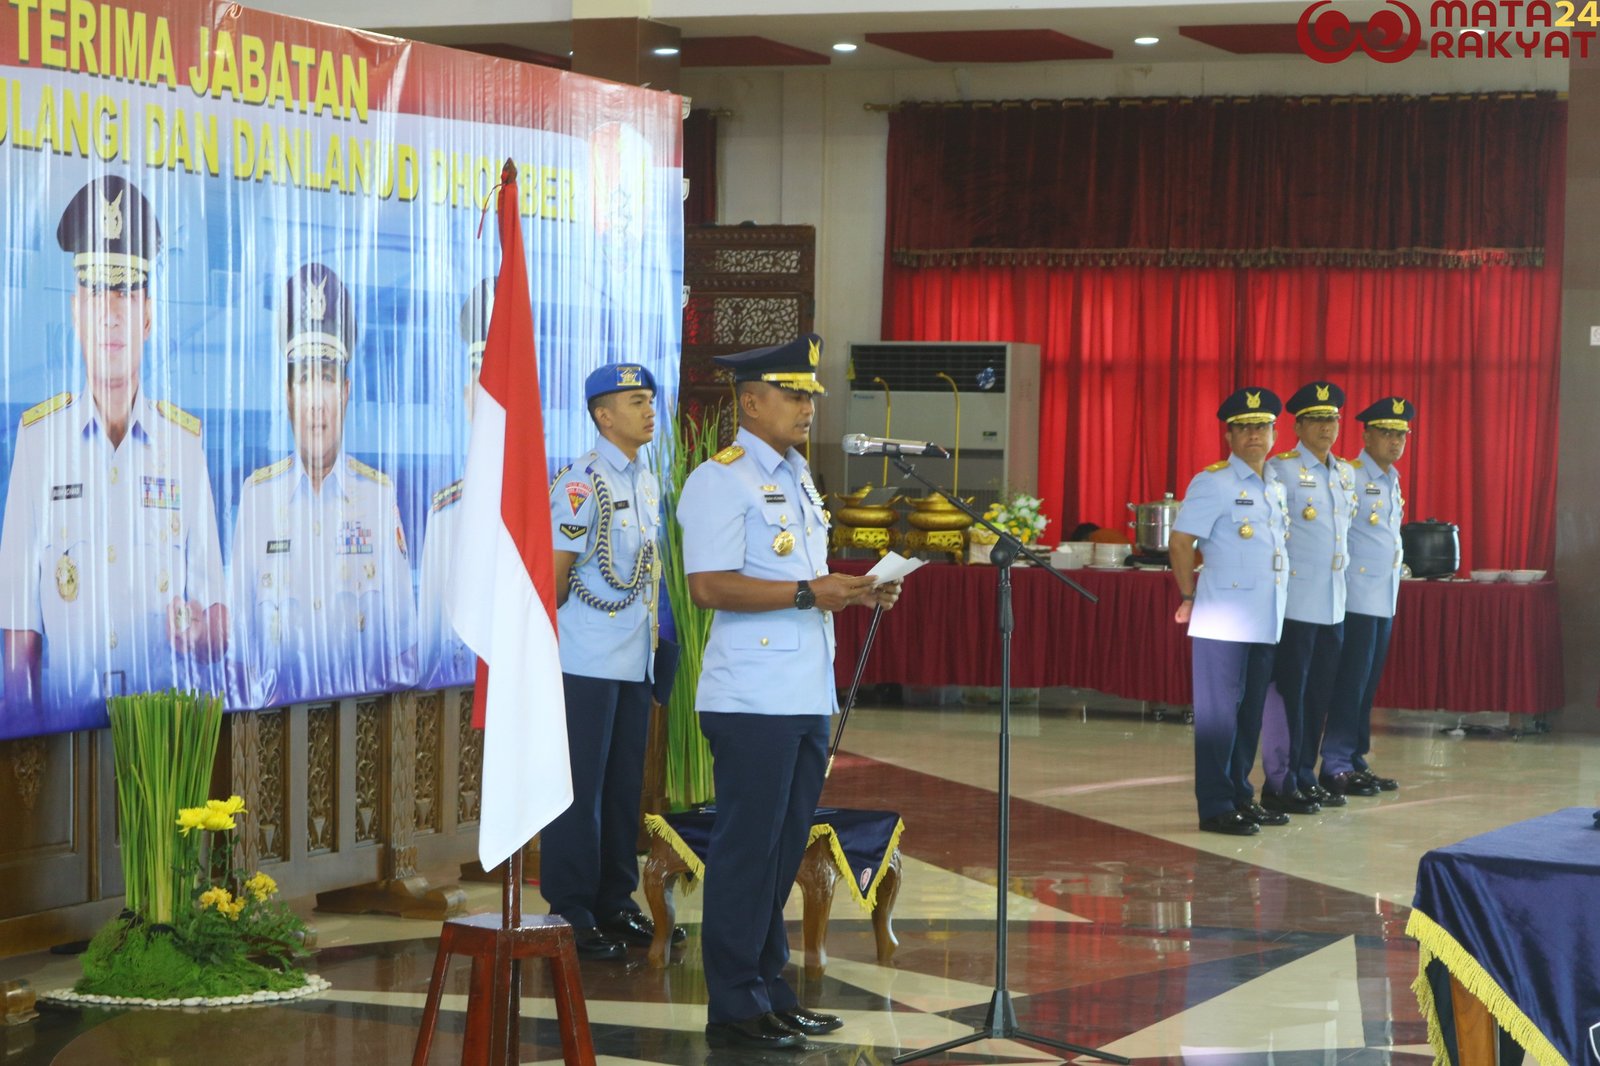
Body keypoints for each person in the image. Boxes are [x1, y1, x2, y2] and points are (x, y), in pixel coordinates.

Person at [679, 333, 900, 1049]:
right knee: (748, 849)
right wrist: (811, 591)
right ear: (751, 400)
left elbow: (797, 583)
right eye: (794, 394)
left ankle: (768, 987)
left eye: (810, 394)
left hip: (805, 691)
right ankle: (735, 1005)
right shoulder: (723, 478)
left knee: (780, 849)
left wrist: (854, 592)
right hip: (751, 699)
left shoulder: (798, 474)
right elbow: (708, 585)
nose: (808, 406)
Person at [0, 175, 226, 730]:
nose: (111, 312)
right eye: (96, 289)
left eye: (126, 289)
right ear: (76, 312)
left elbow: (218, 614)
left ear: (148, 314)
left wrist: (200, 632)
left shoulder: (185, 449)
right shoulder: (37, 446)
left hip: (164, 743)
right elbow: (17, 631)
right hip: (63, 745)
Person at [539, 361, 682, 961]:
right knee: (580, 793)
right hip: (586, 661)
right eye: (634, 401)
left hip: (634, 659)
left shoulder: (646, 481)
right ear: (603, 415)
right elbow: (553, 580)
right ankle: (570, 909)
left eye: (650, 399)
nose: (649, 410)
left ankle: (615, 901)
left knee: (625, 789)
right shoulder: (580, 483)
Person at [230, 263, 417, 707]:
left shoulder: (377, 499)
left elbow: (405, 650)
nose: (316, 400)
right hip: (272, 739)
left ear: (347, 391)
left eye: (328, 378)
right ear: (289, 395)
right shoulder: (257, 502)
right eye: (304, 378)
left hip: (362, 740)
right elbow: (238, 654)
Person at [1169, 387, 1289, 837]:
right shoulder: (1214, 482)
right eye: (1245, 427)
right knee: (1220, 714)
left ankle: (1240, 793)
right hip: (1223, 615)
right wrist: (1187, 594)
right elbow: (1181, 542)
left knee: (1250, 712)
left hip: (1265, 614)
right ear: (1230, 435)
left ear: (1274, 433)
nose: (1255, 434)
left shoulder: (1273, 484)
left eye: (1262, 426)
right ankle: (1216, 804)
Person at [1259, 382, 1358, 816]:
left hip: (1334, 603)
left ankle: (1304, 773)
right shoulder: (1280, 470)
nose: (1326, 427)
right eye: (1316, 419)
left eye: (1332, 418)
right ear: (1297, 426)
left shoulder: (1343, 472)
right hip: (1296, 603)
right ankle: (1281, 779)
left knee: (1319, 694)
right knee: (1291, 695)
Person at [1319, 397, 1414, 796]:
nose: (1395, 442)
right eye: (1387, 434)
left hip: (1383, 597)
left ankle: (1356, 758)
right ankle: (1335, 763)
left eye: (1401, 435)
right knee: (1350, 683)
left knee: (1367, 684)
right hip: (1355, 597)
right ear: (1367, 435)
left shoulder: (1390, 478)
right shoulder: (1349, 475)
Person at [416, 280, 491, 691]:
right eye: (486, 389)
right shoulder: (445, 516)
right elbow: (429, 644)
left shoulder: (554, 506)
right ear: (467, 400)